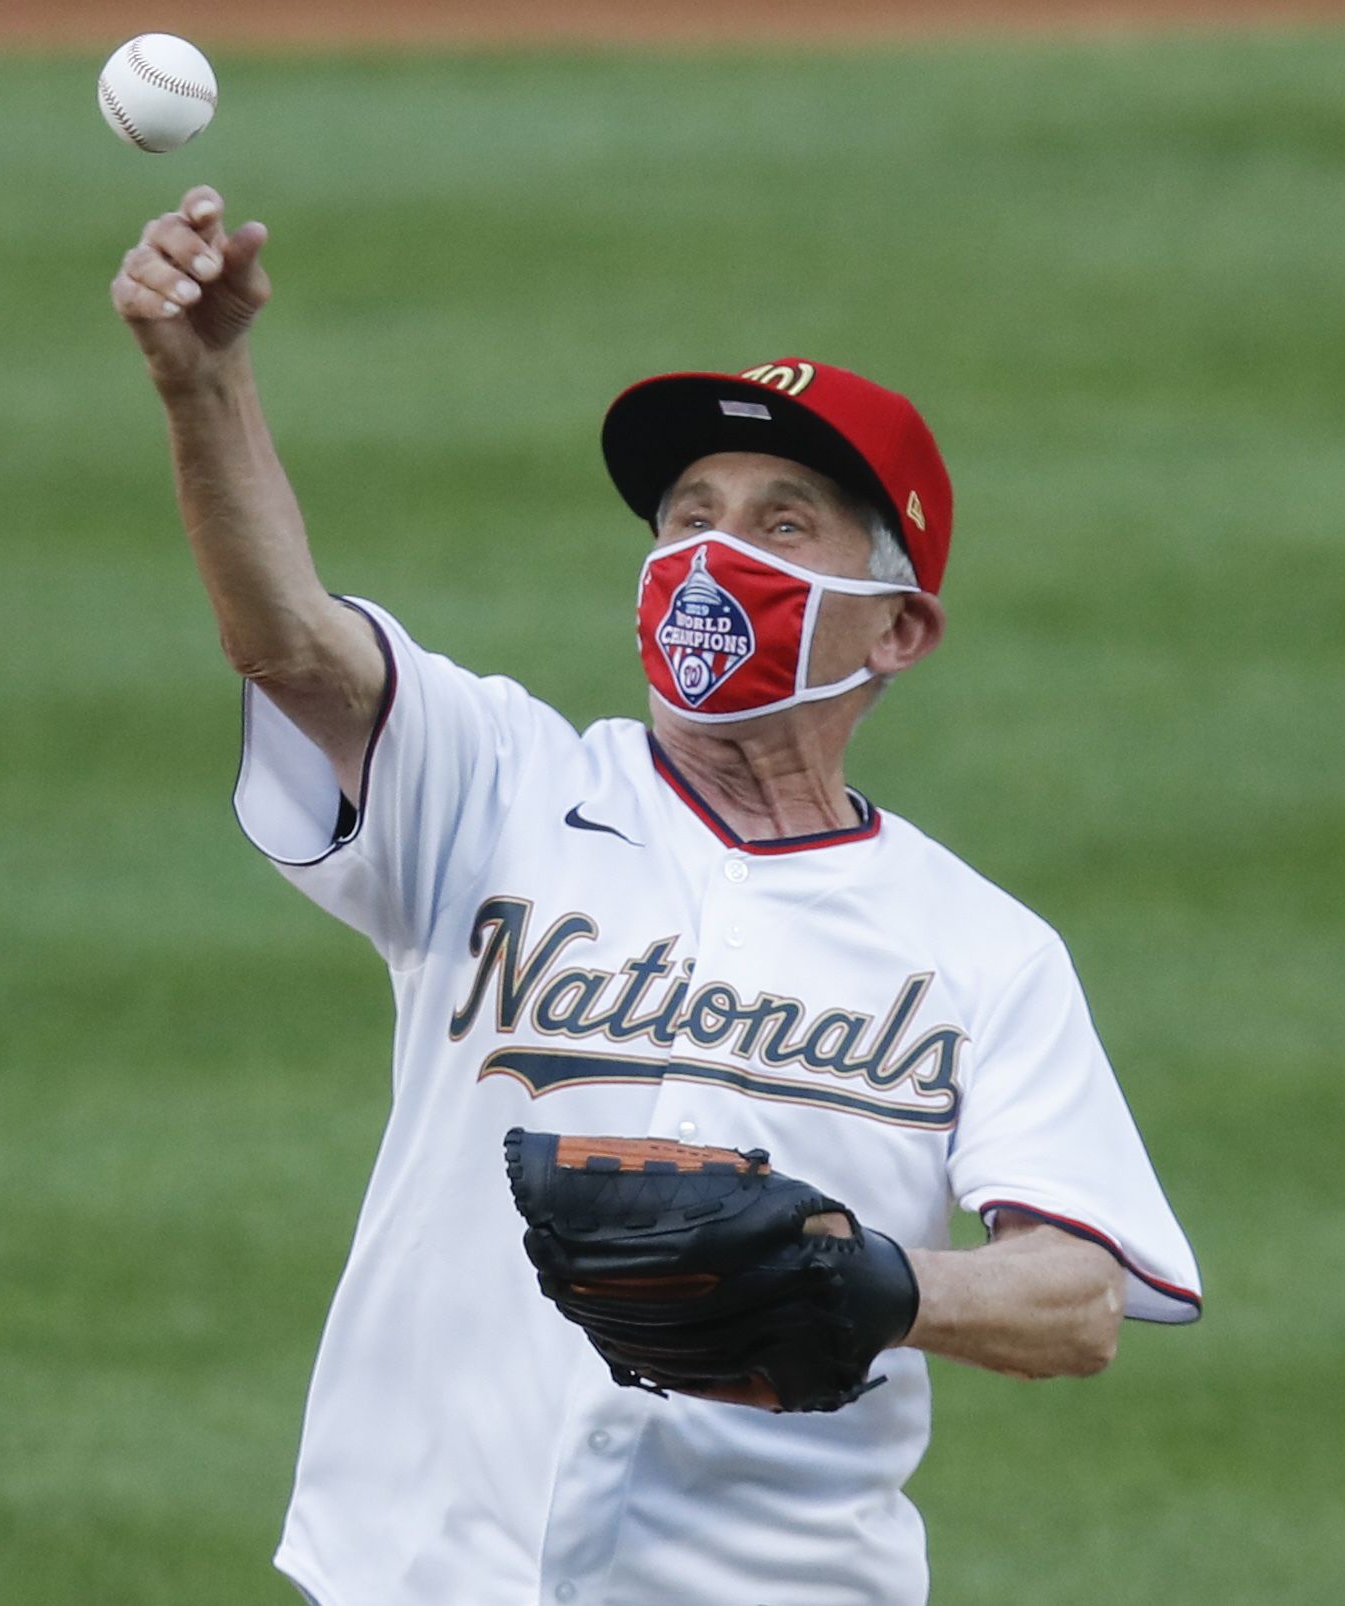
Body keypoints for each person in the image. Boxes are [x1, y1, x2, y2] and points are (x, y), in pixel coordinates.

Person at [111, 185, 1201, 1606]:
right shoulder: (498, 783)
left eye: (783, 520)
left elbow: (1079, 1297)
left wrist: (876, 1281)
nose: (710, 552)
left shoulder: (982, 948)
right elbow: (296, 644)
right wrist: (205, 386)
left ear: (903, 626)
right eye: (687, 513)